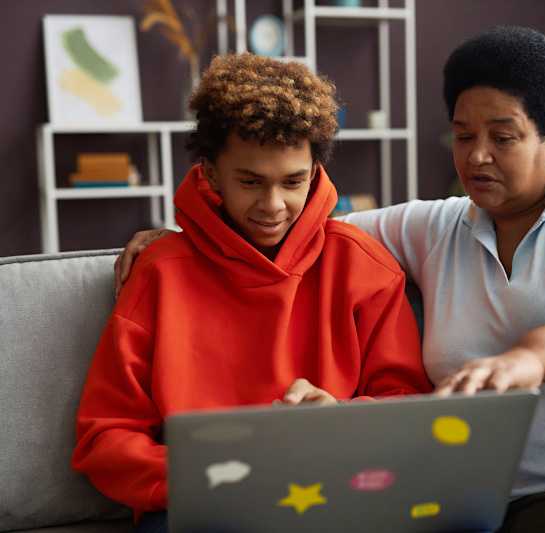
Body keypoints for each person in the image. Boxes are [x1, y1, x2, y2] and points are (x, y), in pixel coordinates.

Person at [115, 27, 545, 532]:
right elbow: (297, 223)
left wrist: (532, 356)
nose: (477, 156)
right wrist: (181, 232)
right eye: (462, 133)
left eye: (503, 136)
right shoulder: (432, 226)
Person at [72, 53, 432, 532]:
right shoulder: (159, 273)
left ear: (316, 173)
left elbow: (410, 407)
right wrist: (205, 478)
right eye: (250, 182)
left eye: (293, 182)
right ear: (212, 172)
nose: (272, 205)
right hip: (199, 506)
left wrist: (343, 420)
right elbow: (106, 435)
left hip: (331, 497)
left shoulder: (361, 265)